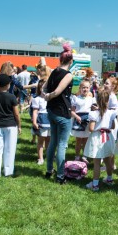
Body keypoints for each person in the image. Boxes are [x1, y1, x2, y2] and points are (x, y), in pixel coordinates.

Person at [43, 44, 74, 184]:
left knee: (53, 142)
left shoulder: (54, 71)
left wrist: (45, 95)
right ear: (71, 61)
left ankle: (49, 170)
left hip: (51, 111)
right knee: (62, 145)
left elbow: (43, 86)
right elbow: (57, 92)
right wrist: (49, 96)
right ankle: (61, 176)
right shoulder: (68, 75)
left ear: (60, 60)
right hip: (62, 112)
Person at [0, 74, 22, 180]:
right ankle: (8, 171)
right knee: (10, 149)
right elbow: (16, 114)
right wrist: (19, 125)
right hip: (11, 125)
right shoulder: (11, 97)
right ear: (7, 85)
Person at [84, 89, 116, 191]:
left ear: (97, 100)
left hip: (97, 138)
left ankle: (95, 184)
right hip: (108, 137)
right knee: (108, 160)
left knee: (97, 162)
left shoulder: (94, 114)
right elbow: (113, 126)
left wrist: (91, 124)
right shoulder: (111, 113)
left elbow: (91, 128)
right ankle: (109, 179)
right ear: (108, 101)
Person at [71, 79, 95, 163]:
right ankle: (77, 156)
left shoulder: (91, 99)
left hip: (87, 120)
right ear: (80, 88)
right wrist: (77, 117)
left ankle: (84, 156)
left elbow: (93, 110)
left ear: (89, 88)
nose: (85, 89)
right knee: (78, 140)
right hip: (79, 119)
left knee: (86, 140)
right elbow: (72, 111)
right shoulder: (76, 99)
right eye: (83, 87)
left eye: (87, 87)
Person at [31, 79, 50, 165]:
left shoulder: (51, 99)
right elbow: (35, 111)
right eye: (43, 88)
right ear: (39, 89)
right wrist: (34, 122)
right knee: (40, 140)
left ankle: (49, 155)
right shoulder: (37, 99)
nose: (45, 91)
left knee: (49, 140)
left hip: (50, 121)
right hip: (41, 121)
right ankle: (40, 158)